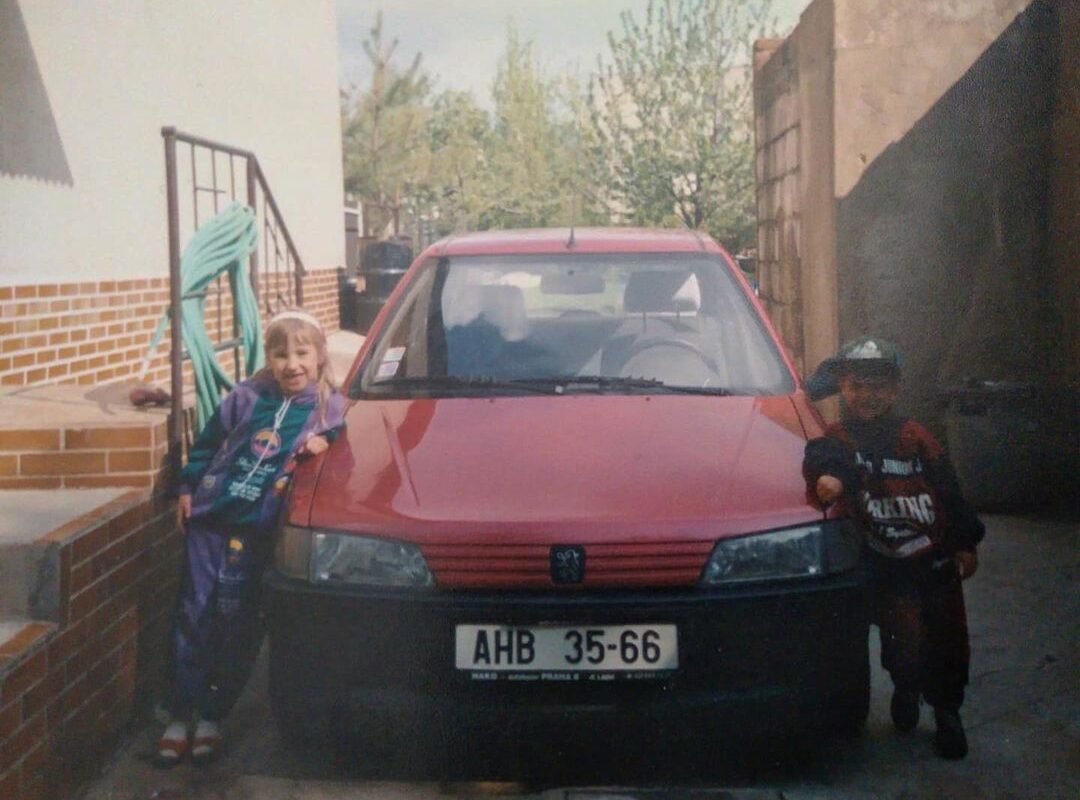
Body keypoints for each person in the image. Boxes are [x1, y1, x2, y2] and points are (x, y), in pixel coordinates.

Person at [157, 308, 346, 766]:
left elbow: (344, 451)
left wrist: (326, 441)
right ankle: (180, 714)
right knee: (194, 611)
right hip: (211, 518)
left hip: (259, 530)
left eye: (302, 353)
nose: (292, 364)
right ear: (269, 359)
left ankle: (213, 715)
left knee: (238, 619)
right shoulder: (245, 396)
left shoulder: (328, 407)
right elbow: (207, 443)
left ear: (320, 356)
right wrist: (187, 488)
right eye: (280, 354)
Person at [802, 336, 984, 759]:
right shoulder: (840, 437)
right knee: (903, 640)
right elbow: (823, 456)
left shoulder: (915, 436)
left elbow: (948, 487)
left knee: (948, 638)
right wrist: (830, 477)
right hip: (885, 560)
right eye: (857, 386)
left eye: (878, 386)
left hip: (933, 556)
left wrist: (964, 541)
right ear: (843, 387)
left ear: (896, 389)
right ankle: (906, 685)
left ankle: (947, 711)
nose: (867, 395)